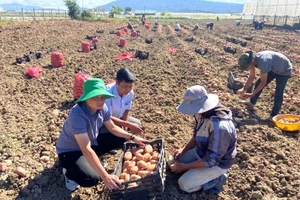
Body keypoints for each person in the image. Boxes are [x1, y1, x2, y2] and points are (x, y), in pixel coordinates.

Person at [56, 78, 148, 191]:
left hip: (90, 142)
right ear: (86, 98)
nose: (100, 101)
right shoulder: (78, 115)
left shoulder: (101, 107)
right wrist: (106, 177)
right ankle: (69, 173)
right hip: (71, 151)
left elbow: (112, 127)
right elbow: (85, 149)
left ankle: (91, 162)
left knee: (120, 138)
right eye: (95, 97)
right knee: (92, 178)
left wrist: (132, 137)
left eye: (103, 97)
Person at [169, 85, 237, 194]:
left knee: (184, 184)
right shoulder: (201, 114)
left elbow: (212, 160)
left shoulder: (220, 127)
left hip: (217, 164)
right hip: (201, 151)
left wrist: (185, 167)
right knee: (172, 160)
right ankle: (194, 171)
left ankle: (217, 180)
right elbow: (196, 135)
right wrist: (183, 150)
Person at [237, 50, 292, 120]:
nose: (248, 68)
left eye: (248, 66)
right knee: (257, 83)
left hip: (284, 70)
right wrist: (244, 89)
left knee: (278, 93)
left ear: (252, 61)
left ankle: (273, 115)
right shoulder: (253, 60)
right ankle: (251, 102)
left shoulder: (263, 62)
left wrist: (252, 94)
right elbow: (251, 76)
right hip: (273, 68)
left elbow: (263, 82)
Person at [103, 68, 143, 138]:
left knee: (137, 123)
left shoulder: (130, 93)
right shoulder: (108, 93)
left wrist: (125, 127)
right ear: (117, 82)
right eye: (125, 86)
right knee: (114, 135)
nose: (128, 89)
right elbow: (108, 117)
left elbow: (126, 110)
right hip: (106, 121)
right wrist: (128, 125)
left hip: (119, 118)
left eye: (130, 86)